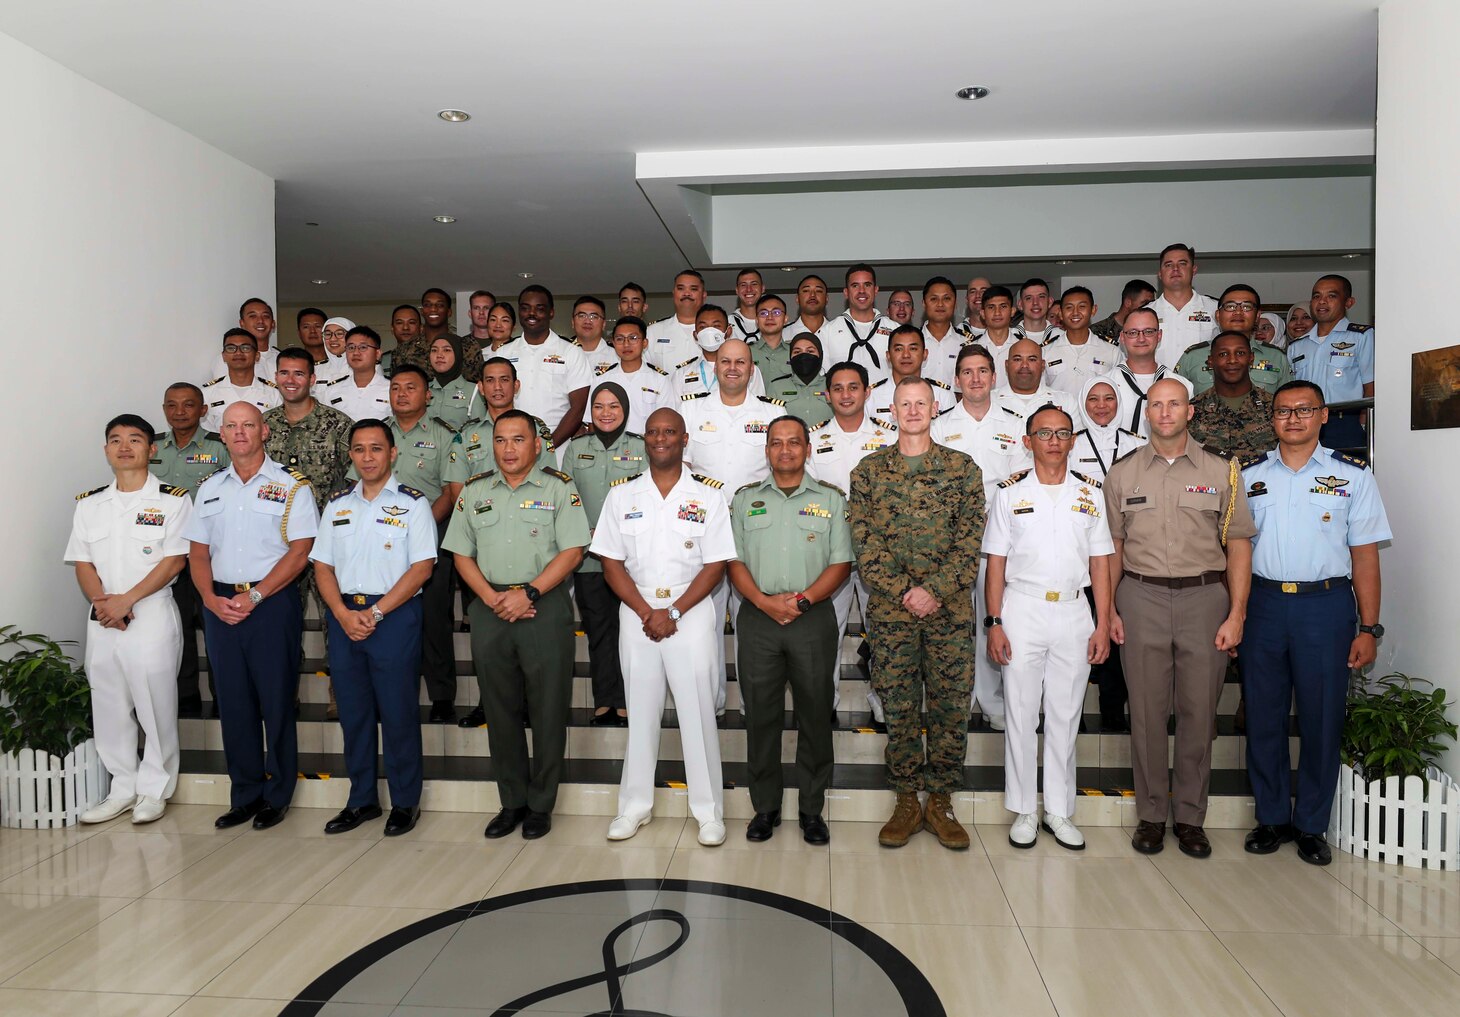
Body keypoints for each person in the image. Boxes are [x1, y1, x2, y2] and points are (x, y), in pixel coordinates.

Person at [1239, 381, 1391, 865]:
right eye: (1284, 411)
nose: (1293, 419)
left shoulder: (1354, 477)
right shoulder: (1248, 477)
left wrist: (1369, 628)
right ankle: (1271, 818)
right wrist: (1236, 611)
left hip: (1325, 608)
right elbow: (1235, 553)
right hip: (1264, 605)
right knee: (1263, 716)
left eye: (1304, 410)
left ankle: (1310, 824)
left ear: (1323, 415)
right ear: (1272, 419)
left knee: (1322, 718)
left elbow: (1365, 557)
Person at [1103, 378, 1255, 858]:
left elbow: (1238, 544)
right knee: (1145, 714)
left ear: (1191, 411)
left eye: (1175, 404)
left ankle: (1190, 816)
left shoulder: (1221, 470)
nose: (1165, 412)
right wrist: (1108, 609)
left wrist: (1237, 613)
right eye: (1156, 404)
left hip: (1204, 598)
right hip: (1141, 597)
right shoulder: (1123, 473)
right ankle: (1151, 815)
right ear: (1146, 412)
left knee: (1197, 712)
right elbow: (1110, 549)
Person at [851, 378, 985, 850]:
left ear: (935, 408)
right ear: (892, 409)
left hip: (948, 612)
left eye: (921, 404)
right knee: (900, 706)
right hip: (892, 612)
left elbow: (971, 543)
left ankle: (941, 800)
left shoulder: (962, 469)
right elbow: (864, 544)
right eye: (904, 404)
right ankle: (907, 799)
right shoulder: (869, 472)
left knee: (950, 706)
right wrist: (908, 591)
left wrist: (935, 591)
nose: (912, 411)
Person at [593, 407, 735, 846]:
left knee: (697, 714)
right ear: (644, 440)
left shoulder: (709, 496)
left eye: (669, 432)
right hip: (636, 611)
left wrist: (671, 612)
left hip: (689, 611)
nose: (660, 439)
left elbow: (716, 565)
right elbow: (610, 562)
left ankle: (708, 812)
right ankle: (634, 807)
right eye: (653, 432)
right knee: (640, 712)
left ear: (684, 438)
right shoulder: (622, 496)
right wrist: (644, 611)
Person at [444, 411, 589, 840]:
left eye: (518, 440)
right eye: (501, 440)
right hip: (490, 608)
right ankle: (512, 801)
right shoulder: (473, 491)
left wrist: (528, 593)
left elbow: (574, 550)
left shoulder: (559, 489)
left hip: (542, 607)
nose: (508, 449)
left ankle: (542, 803)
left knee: (548, 710)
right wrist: (491, 599)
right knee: (500, 709)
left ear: (537, 445)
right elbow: (460, 553)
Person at [185, 402, 319, 831]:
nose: (240, 432)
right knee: (234, 702)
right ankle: (244, 793)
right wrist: (207, 597)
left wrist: (257, 596)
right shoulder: (208, 489)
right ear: (221, 434)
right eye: (232, 426)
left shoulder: (292, 486)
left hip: (271, 604)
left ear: (264, 431)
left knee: (276, 700)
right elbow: (198, 553)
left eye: (248, 425)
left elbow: (301, 552)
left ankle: (277, 794)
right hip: (221, 605)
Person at [984, 405, 1113, 850]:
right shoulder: (1008, 493)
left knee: (1065, 714)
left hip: (1076, 613)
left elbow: (1101, 563)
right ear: (1027, 441)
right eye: (1044, 433)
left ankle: (1058, 810)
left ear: (1073, 440)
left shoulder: (1091, 493)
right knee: (1020, 714)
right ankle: (1023, 809)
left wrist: (1102, 622)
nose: (1054, 441)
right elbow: (995, 564)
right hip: (1023, 609)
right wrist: (995, 622)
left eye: (1062, 433)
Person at [729, 416, 852, 845]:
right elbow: (733, 561)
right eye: (777, 443)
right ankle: (765, 807)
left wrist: (801, 602)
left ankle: (812, 810)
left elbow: (841, 562)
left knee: (815, 716)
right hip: (758, 618)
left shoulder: (831, 500)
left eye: (794, 443)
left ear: (808, 449)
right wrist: (764, 602)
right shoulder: (744, 501)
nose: (785, 450)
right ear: (766, 450)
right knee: (760, 717)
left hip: (812, 617)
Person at [311, 419, 437, 837]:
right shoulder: (337, 504)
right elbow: (323, 566)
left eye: (376, 449)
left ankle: (404, 802)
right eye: (360, 449)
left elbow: (422, 568)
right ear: (351, 455)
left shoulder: (413, 504)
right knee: (354, 714)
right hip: (345, 617)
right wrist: (343, 614)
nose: (368, 457)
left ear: (392, 453)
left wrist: (378, 613)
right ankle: (361, 799)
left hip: (394, 618)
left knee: (398, 713)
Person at [68, 414, 194, 826]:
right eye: (116, 440)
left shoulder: (173, 500)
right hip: (103, 617)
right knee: (108, 703)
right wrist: (105, 604)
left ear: (151, 449)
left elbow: (175, 559)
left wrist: (128, 601)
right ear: (106, 450)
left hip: (150, 613)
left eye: (135, 439)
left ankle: (154, 789)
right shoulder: (89, 504)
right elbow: (82, 561)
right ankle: (122, 787)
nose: (125, 446)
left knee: (154, 704)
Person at [930, 345, 1033, 732]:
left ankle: (993, 702)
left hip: (1000, 540)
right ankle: (954, 701)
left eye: (982, 371)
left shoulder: (1014, 423)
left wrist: (996, 511)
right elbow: (934, 480)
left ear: (994, 377)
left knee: (995, 619)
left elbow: (1023, 478)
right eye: (967, 372)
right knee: (953, 624)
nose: (975, 379)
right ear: (957, 380)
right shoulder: (940, 426)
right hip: (952, 542)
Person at [679, 339, 784, 711]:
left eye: (741, 362)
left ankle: (752, 704)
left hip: (753, 527)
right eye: (726, 361)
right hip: (702, 529)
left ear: (752, 369)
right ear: (716, 365)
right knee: (703, 620)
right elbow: (683, 469)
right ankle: (710, 704)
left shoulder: (773, 413)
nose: (733, 368)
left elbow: (780, 470)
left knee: (751, 621)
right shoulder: (690, 411)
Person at [368, 364, 467, 724]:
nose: (402, 394)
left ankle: (441, 695)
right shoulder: (376, 434)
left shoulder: (446, 436)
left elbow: (449, 493)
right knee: (387, 617)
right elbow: (359, 485)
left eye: (411, 387)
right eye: (395, 388)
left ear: (427, 395)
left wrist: (420, 527)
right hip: (381, 542)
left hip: (430, 539)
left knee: (433, 619)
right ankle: (392, 694)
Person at [264, 347, 355, 718]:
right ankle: (283, 694)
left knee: (336, 619)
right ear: (275, 378)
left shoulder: (338, 424)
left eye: (298, 374)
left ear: (312, 379)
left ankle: (341, 692)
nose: (290, 380)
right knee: (281, 623)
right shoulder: (262, 425)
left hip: (327, 542)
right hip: (277, 544)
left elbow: (357, 477)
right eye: (284, 373)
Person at [807, 362, 897, 715]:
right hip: (832, 552)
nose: (846, 395)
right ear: (827, 395)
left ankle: (882, 698)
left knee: (884, 630)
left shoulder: (889, 437)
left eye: (853, 387)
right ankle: (823, 701)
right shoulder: (813, 440)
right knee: (828, 631)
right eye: (839, 389)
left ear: (867, 392)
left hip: (880, 551)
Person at [565, 382, 645, 726]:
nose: (606, 412)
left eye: (614, 405)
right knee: (599, 631)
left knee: (631, 631)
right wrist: (585, 532)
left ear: (625, 409)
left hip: (632, 560)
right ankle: (604, 699)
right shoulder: (575, 448)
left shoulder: (641, 447)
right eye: (598, 406)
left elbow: (647, 499)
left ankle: (629, 698)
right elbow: (566, 499)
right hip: (589, 558)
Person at [151, 382, 230, 717]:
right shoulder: (151, 447)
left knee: (216, 626)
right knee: (176, 626)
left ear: (203, 410)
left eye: (188, 405)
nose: (179, 412)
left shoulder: (218, 447)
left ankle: (225, 693)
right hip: (166, 555)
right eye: (172, 405)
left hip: (210, 554)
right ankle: (185, 696)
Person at [1072, 377, 1146, 732]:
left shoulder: (1138, 445)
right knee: (1080, 631)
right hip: (1079, 553)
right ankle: (1073, 709)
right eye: (1093, 399)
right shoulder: (1069, 444)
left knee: (1118, 633)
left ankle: (1113, 709)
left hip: (1126, 552)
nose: (1101, 406)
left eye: (1108, 399)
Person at [495, 285, 592, 450]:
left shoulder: (571, 352)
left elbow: (578, 408)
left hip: (559, 444)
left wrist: (549, 445)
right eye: (525, 308)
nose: (531, 314)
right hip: (511, 445)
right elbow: (494, 401)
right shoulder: (503, 352)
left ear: (551, 312)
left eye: (539, 309)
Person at [1287, 274, 1374, 451]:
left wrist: (1365, 425)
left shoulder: (1361, 336)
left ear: (1348, 302)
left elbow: (1371, 386)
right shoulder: (1297, 346)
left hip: (1345, 422)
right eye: (1316, 296)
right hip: (1304, 423)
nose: (1322, 302)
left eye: (1331, 296)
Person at [1175, 284, 1292, 395]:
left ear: (1257, 316)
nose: (1238, 312)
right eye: (1230, 306)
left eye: (1246, 307)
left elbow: (1289, 402)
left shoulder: (1277, 357)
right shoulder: (1192, 356)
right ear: (1218, 316)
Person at [456, 357, 558, 483]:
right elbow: (458, 489)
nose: (497, 387)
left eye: (504, 380)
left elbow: (550, 481)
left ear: (516, 386)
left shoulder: (536, 430)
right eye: (490, 380)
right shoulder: (466, 435)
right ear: (481, 388)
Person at [1189, 332, 1276, 458]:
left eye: (1240, 353)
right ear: (1210, 361)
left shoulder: (1274, 407)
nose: (1232, 360)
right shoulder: (1192, 411)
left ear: (1251, 358)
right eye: (1223, 354)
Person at [662, 304, 767, 406]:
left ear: (728, 331)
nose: (709, 332)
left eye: (716, 326)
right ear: (695, 335)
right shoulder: (682, 373)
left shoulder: (748, 370)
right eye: (703, 327)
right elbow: (675, 414)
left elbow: (758, 408)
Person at [1109, 307, 1187, 436]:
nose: (1141, 339)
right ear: (1122, 337)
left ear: (1159, 335)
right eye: (1133, 332)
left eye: (1149, 331)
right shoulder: (1106, 384)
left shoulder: (1182, 385)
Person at [590, 316, 670, 433]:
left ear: (644, 343)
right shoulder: (601, 379)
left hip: (646, 448)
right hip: (610, 448)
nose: (626, 344)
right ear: (613, 342)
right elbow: (592, 422)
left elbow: (667, 421)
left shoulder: (660, 380)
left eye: (633, 338)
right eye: (620, 339)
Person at [822, 264, 897, 386]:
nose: (862, 291)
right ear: (846, 292)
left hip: (887, 403)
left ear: (876, 290)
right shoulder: (828, 332)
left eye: (867, 285)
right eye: (855, 286)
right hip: (845, 402)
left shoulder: (895, 330)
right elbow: (824, 379)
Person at [1147, 245, 1218, 372]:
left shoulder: (1215, 309)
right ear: (1160, 274)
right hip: (1156, 387)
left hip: (1204, 388)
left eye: (1182, 263)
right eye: (1168, 265)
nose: (1175, 269)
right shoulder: (1144, 314)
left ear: (1194, 270)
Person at [1042, 286, 1121, 398]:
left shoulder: (1111, 350)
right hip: (1058, 414)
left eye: (1082, 307)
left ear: (1093, 310)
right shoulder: (1045, 351)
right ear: (1060, 313)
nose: (1075, 313)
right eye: (1069, 307)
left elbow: (1119, 391)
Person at [200, 328, 280, 431]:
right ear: (223, 356)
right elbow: (207, 434)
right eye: (231, 348)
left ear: (257, 355)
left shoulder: (275, 394)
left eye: (245, 348)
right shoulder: (206, 394)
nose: (238, 353)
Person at [868, 325, 957, 417]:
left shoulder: (943, 396)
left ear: (925, 354)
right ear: (888, 355)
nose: (906, 355)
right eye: (899, 349)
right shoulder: (871, 397)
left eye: (913, 349)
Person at [992, 338, 1075, 423]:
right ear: (1007, 365)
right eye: (1017, 359)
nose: (1024, 365)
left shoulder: (1066, 402)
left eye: (1032, 359)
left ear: (1043, 365)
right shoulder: (989, 400)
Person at [764, 333, 832, 427]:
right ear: (790, 357)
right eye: (797, 352)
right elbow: (768, 423)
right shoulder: (776, 387)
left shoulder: (832, 385)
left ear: (820, 355)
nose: (803, 355)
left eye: (810, 351)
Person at [324, 325, 391, 421]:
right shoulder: (332, 390)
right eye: (351, 347)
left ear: (377, 354)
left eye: (363, 347)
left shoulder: (392, 388)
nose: (356, 352)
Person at [646, 269, 708, 371]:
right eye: (681, 288)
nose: (687, 293)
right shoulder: (652, 331)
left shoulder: (716, 331)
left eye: (693, 289)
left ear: (704, 295)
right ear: (673, 293)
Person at [206, 298, 280, 381]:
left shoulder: (281, 357)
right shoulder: (229, 359)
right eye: (253, 316)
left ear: (273, 324)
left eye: (266, 316)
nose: (260, 321)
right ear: (242, 323)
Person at [920, 276, 965, 387]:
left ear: (955, 304)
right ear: (924, 304)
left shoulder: (967, 343)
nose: (940, 304)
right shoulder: (912, 342)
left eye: (946, 299)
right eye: (934, 299)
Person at [428, 334, 478, 431]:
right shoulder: (422, 389)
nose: (439, 355)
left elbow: (478, 433)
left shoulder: (474, 391)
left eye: (446, 350)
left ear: (458, 354)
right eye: (434, 350)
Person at [973, 285, 1020, 384]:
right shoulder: (972, 348)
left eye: (1003, 306)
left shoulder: (1023, 347)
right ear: (982, 313)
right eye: (991, 307)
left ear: (1012, 311)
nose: (997, 313)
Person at [1090, 279, 1156, 343]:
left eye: (1152, 304)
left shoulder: (1150, 331)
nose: (1149, 307)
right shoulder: (1095, 332)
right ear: (1128, 303)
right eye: (1145, 303)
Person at [570, 295, 619, 378]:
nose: (587, 321)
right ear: (572, 322)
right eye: (581, 316)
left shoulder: (617, 356)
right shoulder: (560, 353)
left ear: (603, 324)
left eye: (594, 317)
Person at [750, 293, 794, 384]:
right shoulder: (746, 352)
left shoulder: (795, 352)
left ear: (785, 319)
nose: (769, 317)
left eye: (776, 312)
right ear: (757, 320)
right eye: (763, 313)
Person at [786, 274, 835, 344]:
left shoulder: (838, 332)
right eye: (806, 291)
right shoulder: (783, 334)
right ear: (797, 298)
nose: (812, 295)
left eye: (818, 291)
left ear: (826, 298)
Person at [1014, 279, 1062, 345]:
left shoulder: (1063, 337)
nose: (1035, 303)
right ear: (1020, 304)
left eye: (1041, 297)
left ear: (1050, 302)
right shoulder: (1007, 338)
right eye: (1029, 298)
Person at [462, 290, 498, 378]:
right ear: (470, 313)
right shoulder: (459, 345)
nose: (481, 312)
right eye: (476, 308)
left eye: (486, 308)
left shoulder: (506, 343)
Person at [317, 316, 353, 389]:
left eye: (339, 334)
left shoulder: (365, 369)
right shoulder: (316, 370)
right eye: (327, 334)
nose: (333, 339)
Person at [729, 267, 764, 342]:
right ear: (737, 290)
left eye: (754, 284)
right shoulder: (726, 323)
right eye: (743, 285)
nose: (749, 289)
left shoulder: (773, 322)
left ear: (762, 288)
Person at [296, 307, 329, 375]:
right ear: (299, 333)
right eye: (306, 327)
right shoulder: (293, 363)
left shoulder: (341, 362)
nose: (312, 331)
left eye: (317, 326)